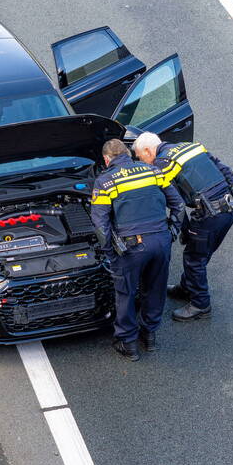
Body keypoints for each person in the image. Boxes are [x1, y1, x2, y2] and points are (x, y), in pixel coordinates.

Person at [132, 132, 233, 322]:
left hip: (210, 215)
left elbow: (177, 204)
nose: (142, 162)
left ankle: (200, 305)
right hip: (229, 208)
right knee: (200, 251)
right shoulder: (190, 146)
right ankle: (187, 287)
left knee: (194, 258)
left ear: (147, 151)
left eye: (140, 157)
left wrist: (184, 230)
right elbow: (226, 171)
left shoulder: (162, 164)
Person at [91, 138, 184, 361]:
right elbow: (178, 204)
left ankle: (128, 343)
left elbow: (100, 225)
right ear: (128, 153)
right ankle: (149, 335)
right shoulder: (153, 171)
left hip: (130, 248)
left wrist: (110, 253)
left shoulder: (105, 182)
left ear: (106, 159)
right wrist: (172, 231)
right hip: (160, 241)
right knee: (156, 288)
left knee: (126, 293)